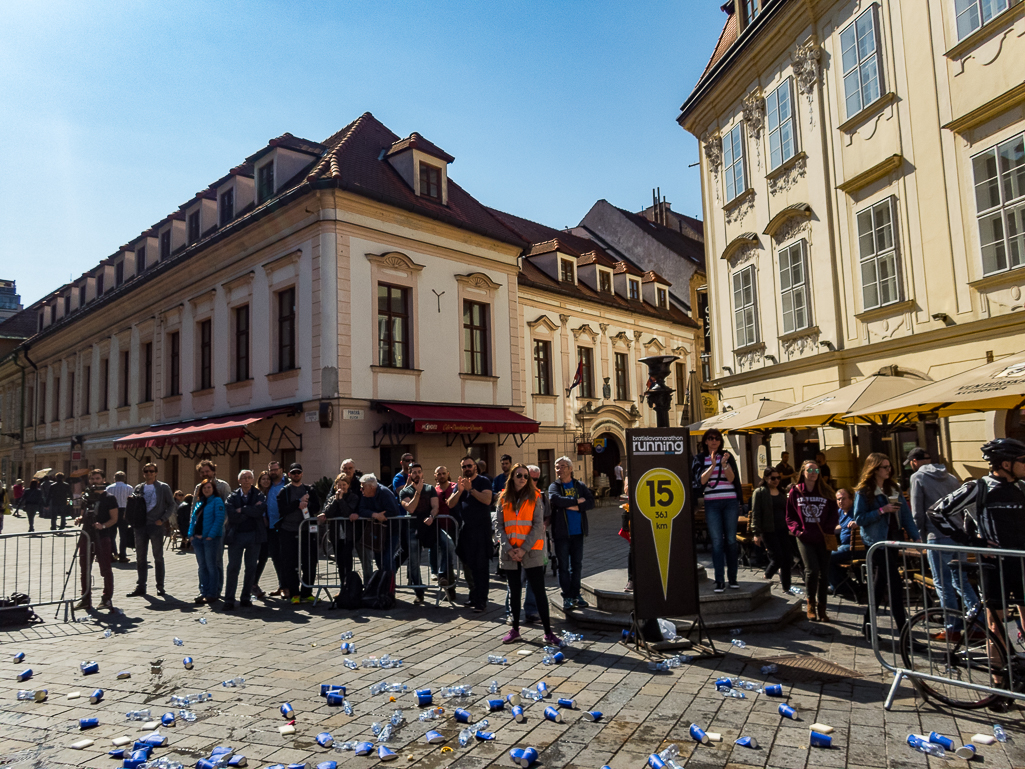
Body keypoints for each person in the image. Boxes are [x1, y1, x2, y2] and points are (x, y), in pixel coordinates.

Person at [928, 438, 1025, 704]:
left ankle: (1018, 671)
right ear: (1006, 464)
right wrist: (973, 542)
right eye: (1022, 461)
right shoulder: (978, 487)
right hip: (995, 566)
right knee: (996, 624)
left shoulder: (1022, 488)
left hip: (1021, 563)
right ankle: (998, 687)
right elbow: (937, 513)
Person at [907, 447, 979, 636]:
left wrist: (920, 536)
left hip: (936, 536)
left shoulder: (917, 478)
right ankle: (979, 623)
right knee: (961, 581)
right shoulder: (951, 477)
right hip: (957, 535)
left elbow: (917, 512)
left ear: (914, 462)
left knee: (943, 583)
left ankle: (952, 628)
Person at [853, 452, 921, 641]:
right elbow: (859, 519)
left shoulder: (894, 488)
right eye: (884, 467)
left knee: (879, 585)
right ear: (874, 469)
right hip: (876, 543)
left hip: (893, 540)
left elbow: (906, 514)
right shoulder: (864, 491)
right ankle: (906, 635)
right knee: (896, 584)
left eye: (889, 466)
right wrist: (882, 510)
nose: (888, 470)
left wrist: (916, 537)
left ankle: (867, 627)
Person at [497, 463, 561, 645]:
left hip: (531, 550)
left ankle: (548, 632)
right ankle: (515, 629)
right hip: (510, 551)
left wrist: (523, 549)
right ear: (512, 477)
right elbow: (498, 525)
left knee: (539, 591)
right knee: (514, 591)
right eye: (519, 475)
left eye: (526, 476)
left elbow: (537, 525)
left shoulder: (536, 497)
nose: (523, 479)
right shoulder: (503, 497)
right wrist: (509, 548)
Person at [786, 460, 839, 622]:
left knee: (824, 573)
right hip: (805, 537)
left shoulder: (826, 491)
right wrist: (798, 531)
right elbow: (790, 516)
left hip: (823, 537)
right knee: (812, 570)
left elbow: (833, 514)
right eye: (810, 469)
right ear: (803, 472)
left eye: (816, 470)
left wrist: (828, 529)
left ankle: (822, 607)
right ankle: (810, 604)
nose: (814, 472)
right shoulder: (796, 492)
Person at [691, 429, 742, 592]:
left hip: (730, 501)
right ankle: (719, 580)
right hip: (712, 502)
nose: (714, 441)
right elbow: (701, 481)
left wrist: (724, 464)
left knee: (731, 541)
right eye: (711, 438)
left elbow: (732, 479)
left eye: (717, 439)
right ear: (705, 441)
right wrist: (712, 465)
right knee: (717, 542)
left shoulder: (727, 456)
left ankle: (733, 579)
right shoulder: (699, 459)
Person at [548, 456, 595, 611]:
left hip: (578, 532)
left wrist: (577, 507)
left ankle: (576, 594)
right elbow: (557, 500)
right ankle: (567, 596)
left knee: (577, 565)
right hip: (562, 534)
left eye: (562, 466)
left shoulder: (579, 485)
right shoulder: (554, 486)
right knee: (563, 567)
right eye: (556, 467)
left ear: (570, 468)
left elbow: (590, 502)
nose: (559, 469)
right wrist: (576, 501)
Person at [448, 456, 494, 612]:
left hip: (482, 531)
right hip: (466, 530)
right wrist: (460, 491)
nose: (467, 468)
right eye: (464, 466)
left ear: (475, 467)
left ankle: (482, 600)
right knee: (469, 565)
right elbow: (450, 503)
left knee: (481, 566)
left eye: (469, 465)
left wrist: (471, 490)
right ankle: (473, 596)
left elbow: (487, 500)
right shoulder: (460, 484)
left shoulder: (483, 481)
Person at [126, 463, 175, 598]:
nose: (149, 473)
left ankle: (160, 586)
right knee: (140, 558)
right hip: (140, 526)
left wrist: (163, 519)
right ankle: (141, 586)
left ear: (156, 473)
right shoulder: (138, 488)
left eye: (151, 471)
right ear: (143, 473)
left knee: (158, 557)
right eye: (146, 471)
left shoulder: (163, 487)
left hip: (155, 526)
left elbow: (171, 504)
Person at [73, 469, 119, 611]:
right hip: (86, 535)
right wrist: (80, 518)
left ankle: (106, 599)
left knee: (105, 568)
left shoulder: (109, 497)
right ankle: (85, 599)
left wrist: (103, 525)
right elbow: (84, 514)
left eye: (97, 478)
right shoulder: (86, 497)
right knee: (84, 568)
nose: (94, 481)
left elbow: (114, 518)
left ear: (103, 480)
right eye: (92, 479)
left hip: (103, 536)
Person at [276, 463, 321, 604]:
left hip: (307, 532)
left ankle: (307, 592)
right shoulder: (284, 491)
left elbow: (317, 507)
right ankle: (294, 593)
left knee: (309, 562)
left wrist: (307, 504)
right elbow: (282, 510)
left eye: (298, 472)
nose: (296, 475)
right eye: (294, 472)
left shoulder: (309, 489)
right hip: (288, 532)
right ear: (289, 474)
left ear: (302, 474)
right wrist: (297, 503)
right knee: (290, 563)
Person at [223, 470, 267, 610]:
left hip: (254, 536)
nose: (246, 480)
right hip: (236, 537)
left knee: (251, 568)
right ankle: (229, 599)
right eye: (244, 478)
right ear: (239, 481)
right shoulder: (232, 496)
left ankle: (245, 598)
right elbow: (232, 515)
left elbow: (259, 511)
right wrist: (251, 510)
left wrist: (242, 509)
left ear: (253, 480)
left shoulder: (259, 495)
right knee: (233, 568)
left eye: (249, 478)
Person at [399, 462, 440, 605]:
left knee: (448, 546)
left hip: (430, 527)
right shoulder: (405, 492)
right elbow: (410, 508)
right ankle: (419, 592)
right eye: (414, 472)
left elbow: (435, 506)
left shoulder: (430, 489)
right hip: (413, 529)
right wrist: (418, 492)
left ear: (422, 473)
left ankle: (445, 581)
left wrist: (432, 516)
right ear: (410, 474)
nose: (417, 474)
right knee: (415, 562)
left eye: (419, 472)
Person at [319, 473, 366, 590]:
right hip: (335, 535)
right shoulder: (331, 498)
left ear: (348, 485)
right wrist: (336, 500)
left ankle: (349, 586)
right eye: (339, 485)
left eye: (344, 485)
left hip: (348, 535)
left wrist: (341, 500)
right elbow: (328, 513)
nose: (341, 487)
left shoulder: (353, 497)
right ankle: (342, 587)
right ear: (335, 486)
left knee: (347, 560)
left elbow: (348, 512)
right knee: (339, 562)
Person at [750, 468, 792, 594]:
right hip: (768, 530)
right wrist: (756, 533)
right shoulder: (760, 492)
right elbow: (755, 513)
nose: (776, 480)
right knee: (777, 558)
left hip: (783, 529)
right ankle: (766, 578)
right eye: (773, 478)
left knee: (787, 559)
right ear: (765, 478)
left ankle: (786, 587)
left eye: (778, 478)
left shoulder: (782, 492)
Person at [357, 473, 403, 577]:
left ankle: (390, 586)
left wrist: (382, 515)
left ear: (371, 487)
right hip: (377, 531)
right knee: (378, 559)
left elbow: (394, 511)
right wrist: (375, 514)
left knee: (387, 558)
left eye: (363, 487)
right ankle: (383, 583)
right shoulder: (365, 495)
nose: (361, 489)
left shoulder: (385, 493)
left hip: (391, 531)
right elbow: (361, 510)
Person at [190, 479, 226, 604]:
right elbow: (193, 519)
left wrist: (210, 536)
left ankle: (212, 593)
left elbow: (219, 520)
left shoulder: (217, 501)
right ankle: (203, 592)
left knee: (212, 566)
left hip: (210, 540)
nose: (206, 489)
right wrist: (190, 535)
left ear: (213, 489)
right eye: (204, 488)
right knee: (202, 567)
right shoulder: (200, 503)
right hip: (197, 540)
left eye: (209, 487)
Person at [433, 465, 459, 602]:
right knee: (447, 556)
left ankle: (448, 584)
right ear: (435, 476)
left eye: (444, 473)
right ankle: (449, 588)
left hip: (454, 527)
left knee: (451, 557)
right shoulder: (433, 490)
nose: (442, 476)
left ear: (448, 474)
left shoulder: (454, 487)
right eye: (439, 474)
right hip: (440, 529)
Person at [827, 488, 859, 597]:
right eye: (838, 499)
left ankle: (838, 586)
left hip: (854, 548)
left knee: (826, 557)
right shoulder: (840, 511)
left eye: (843, 499)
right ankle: (844, 584)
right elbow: (839, 526)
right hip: (844, 547)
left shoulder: (856, 511)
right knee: (824, 554)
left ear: (851, 499)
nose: (841, 501)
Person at [264, 460, 288, 597]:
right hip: (271, 526)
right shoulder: (268, 485)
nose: (273, 472)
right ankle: (281, 585)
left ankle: (288, 587)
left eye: (275, 469)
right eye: (271, 470)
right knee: (275, 556)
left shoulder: (288, 483)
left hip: (286, 526)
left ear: (281, 470)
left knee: (286, 557)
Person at [250, 471, 275, 597]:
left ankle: (254, 583)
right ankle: (252, 584)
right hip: (256, 529)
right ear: (259, 481)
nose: (266, 481)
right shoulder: (255, 494)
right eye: (263, 479)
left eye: (268, 479)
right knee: (255, 557)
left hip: (268, 529)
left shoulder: (271, 493)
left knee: (263, 557)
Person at [106, 471, 133, 563]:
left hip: (112, 511)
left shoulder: (109, 488)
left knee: (111, 535)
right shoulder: (129, 488)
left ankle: (113, 554)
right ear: (124, 478)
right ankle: (122, 555)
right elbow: (131, 502)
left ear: (115, 478)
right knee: (123, 535)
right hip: (124, 512)